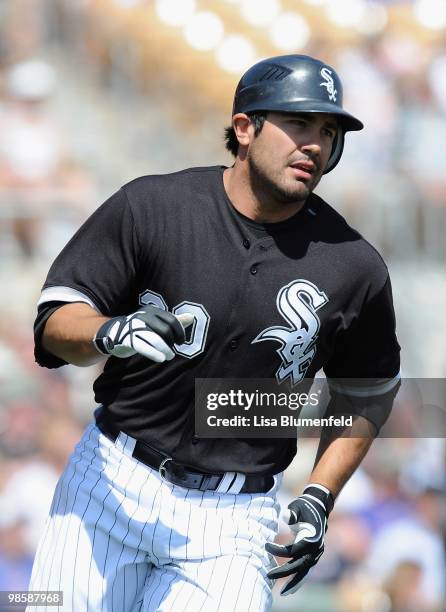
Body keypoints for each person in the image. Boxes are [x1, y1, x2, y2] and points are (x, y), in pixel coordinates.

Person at [28, 54, 400, 611]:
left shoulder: (354, 265)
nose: (315, 145)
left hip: (233, 520)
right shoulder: (153, 205)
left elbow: (368, 392)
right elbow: (56, 321)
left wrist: (320, 495)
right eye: (298, 123)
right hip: (109, 484)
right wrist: (109, 331)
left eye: (328, 131)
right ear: (244, 128)